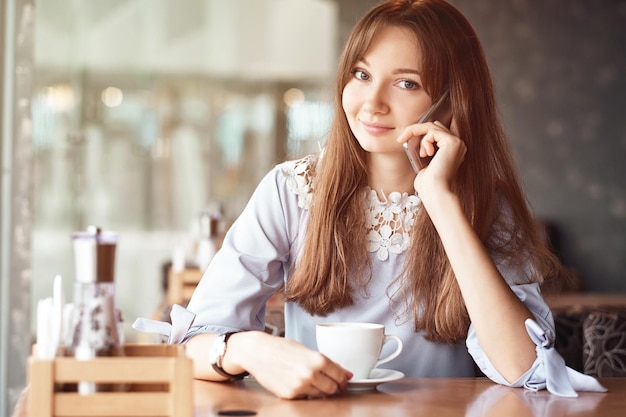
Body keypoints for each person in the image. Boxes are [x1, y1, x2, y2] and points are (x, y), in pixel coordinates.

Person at [180, 0, 604, 400]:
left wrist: (439, 200)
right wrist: (251, 350)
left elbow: (523, 368)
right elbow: (190, 344)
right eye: (361, 75)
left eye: (406, 83)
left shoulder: (486, 206)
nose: (372, 103)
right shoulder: (290, 191)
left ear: (451, 102)